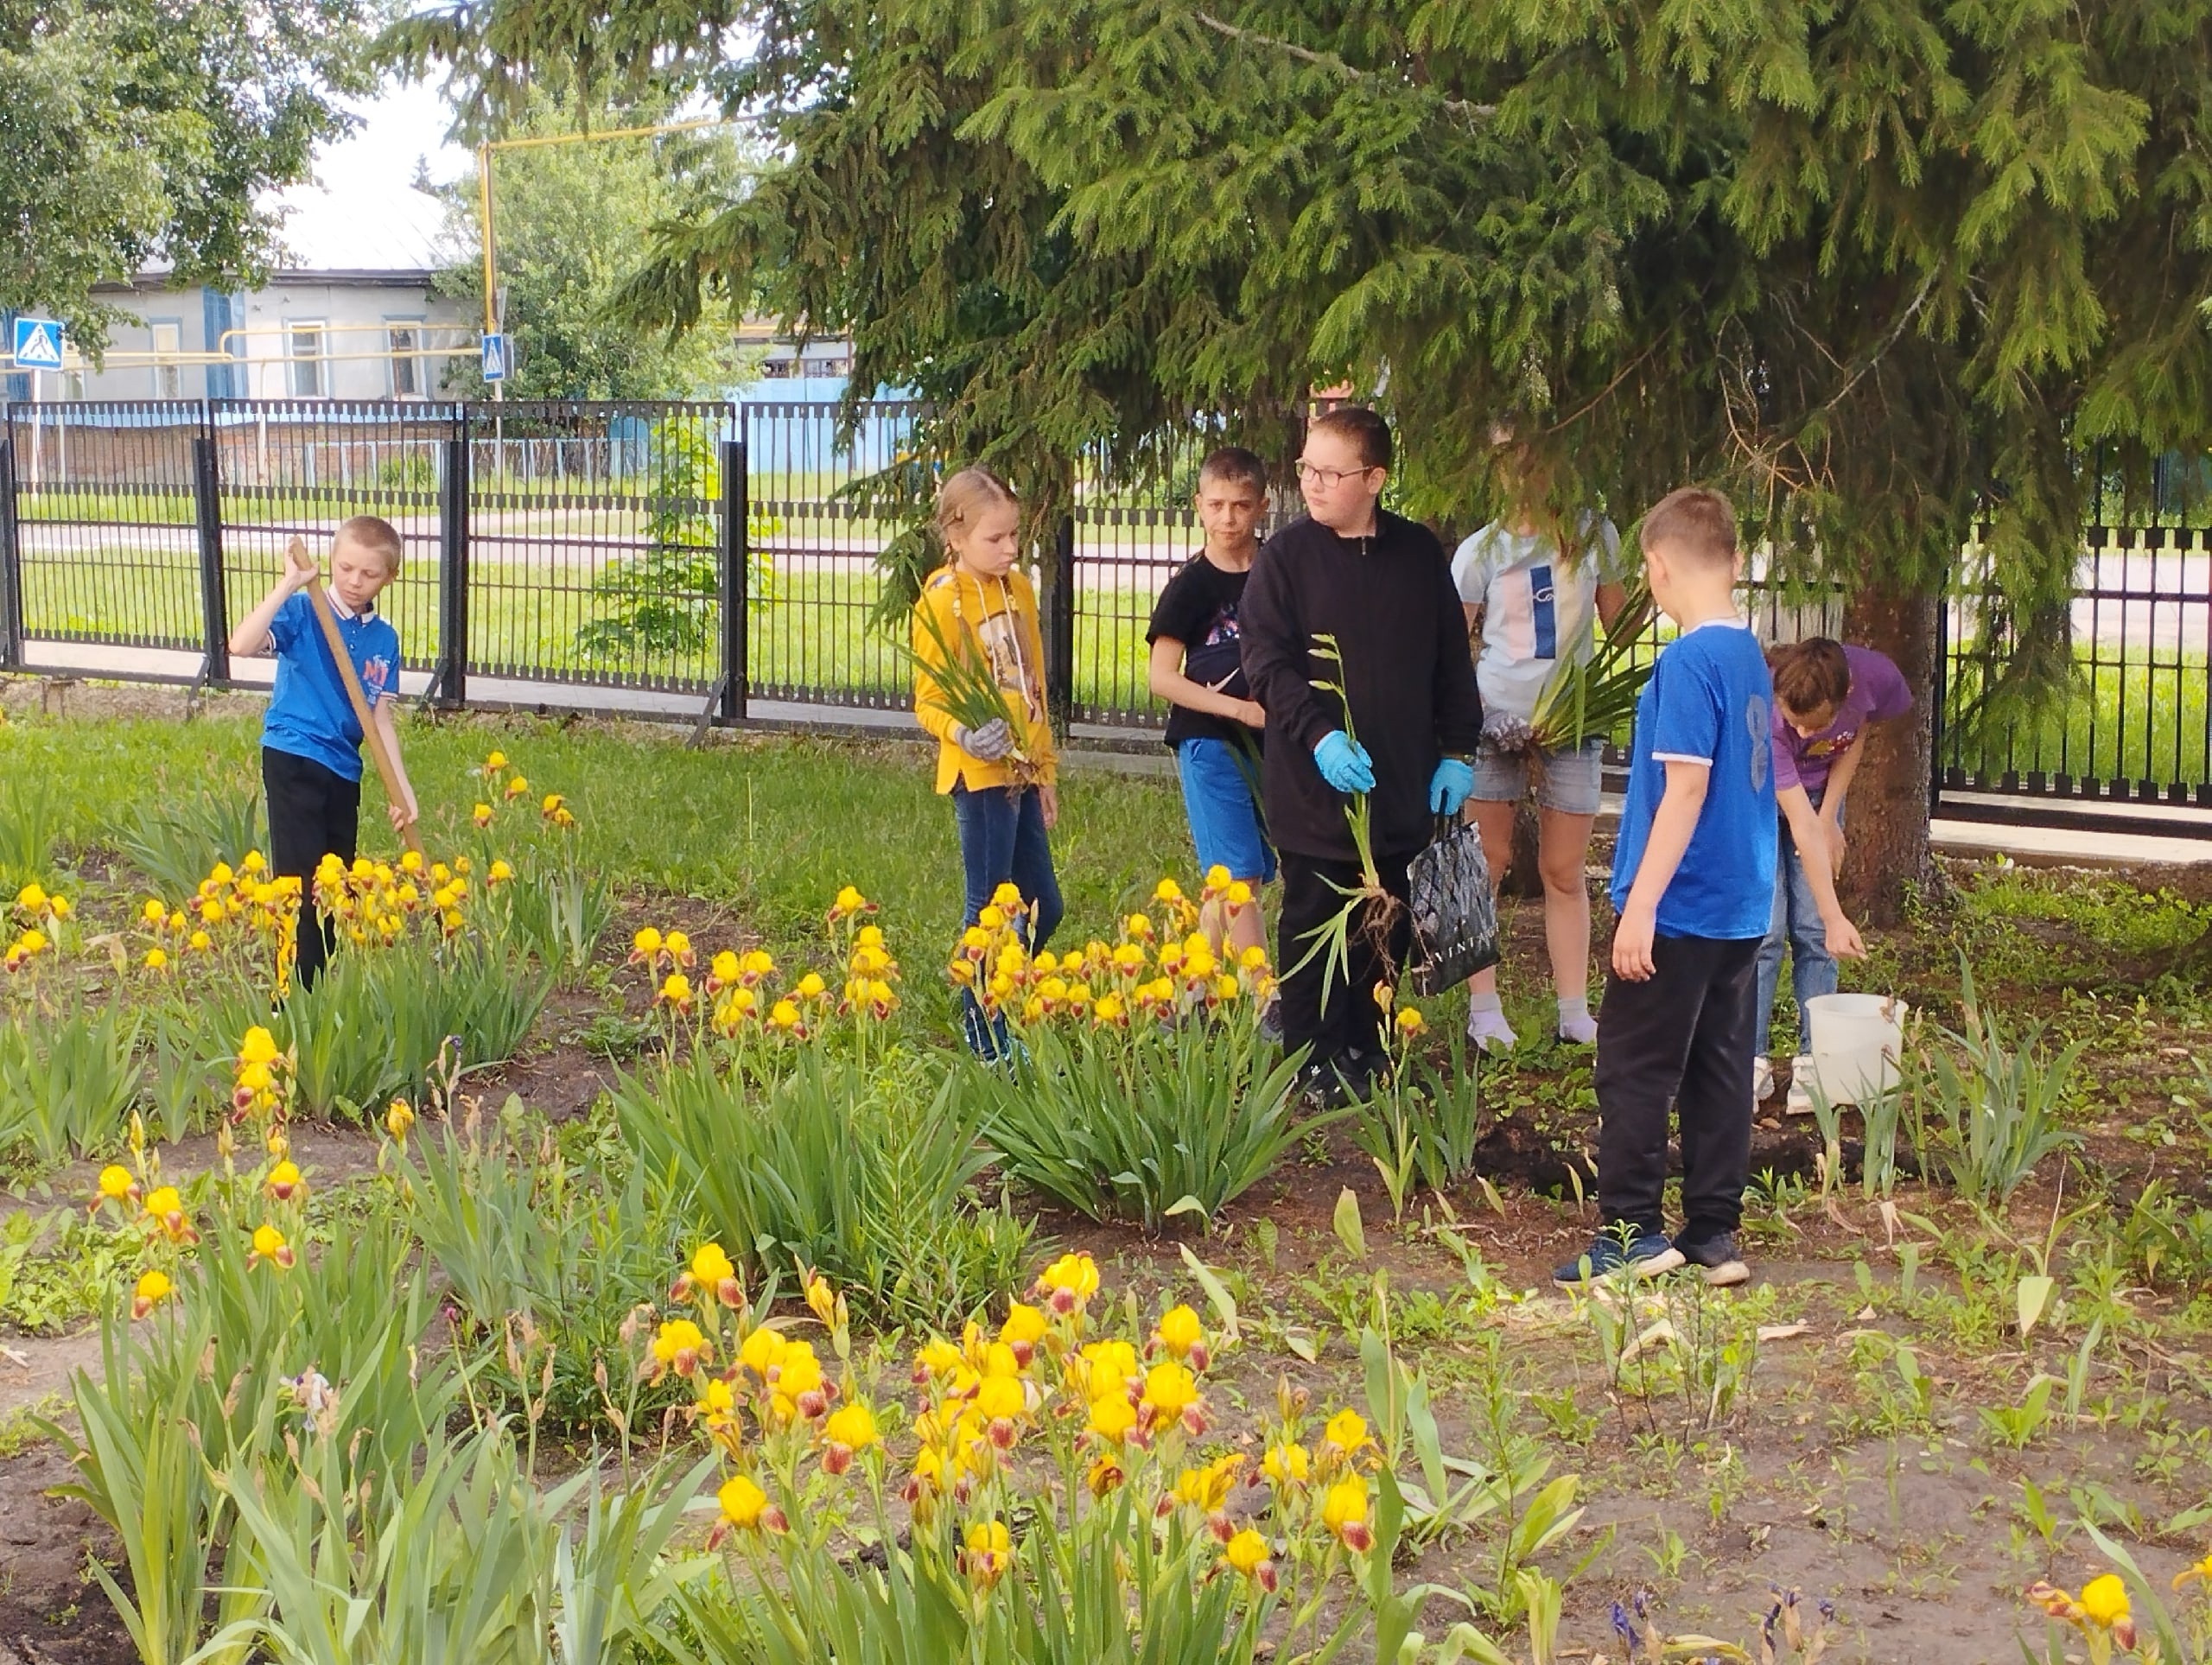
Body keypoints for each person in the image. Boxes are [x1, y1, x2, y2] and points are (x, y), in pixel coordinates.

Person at [1555, 487, 1773, 1290]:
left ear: (1654, 567)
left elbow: (1685, 790)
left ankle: (1630, 1234)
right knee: (1720, 1063)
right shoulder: (1748, 650)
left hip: (1679, 906)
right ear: (1735, 562)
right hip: (1742, 905)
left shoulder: (1686, 662)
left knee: (1635, 1066)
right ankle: (1714, 1231)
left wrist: (1640, 903)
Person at [1241, 406, 1483, 1100]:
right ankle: (1310, 1058)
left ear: (1375, 478)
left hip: (1402, 781)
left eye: (1331, 472)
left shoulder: (1416, 554)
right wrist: (1319, 735)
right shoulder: (1286, 558)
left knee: (1387, 918)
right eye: (1306, 468)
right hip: (1316, 786)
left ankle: (1367, 1046)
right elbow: (1266, 663)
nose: (1313, 483)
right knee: (1316, 913)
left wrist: (1458, 749)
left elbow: (1449, 661)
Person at [1452, 442, 1631, 1052]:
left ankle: (1574, 1011)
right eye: (1512, 459)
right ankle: (1483, 1008)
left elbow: (1620, 628)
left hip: (1573, 722)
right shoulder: (1480, 551)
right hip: (1494, 720)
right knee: (1489, 863)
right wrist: (1484, 713)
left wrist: (1646, 566)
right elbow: (1451, 650)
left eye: (1539, 456)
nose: (1528, 471)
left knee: (1562, 867)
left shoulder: (1592, 535)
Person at [227, 517, 418, 992]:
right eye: (345, 568)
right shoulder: (303, 611)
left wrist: (403, 791)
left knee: (336, 881)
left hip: (343, 767)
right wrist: (289, 583)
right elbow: (241, 644)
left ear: (389, 578)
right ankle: (287, 995)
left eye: (369, 574)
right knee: (298, 878)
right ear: (331, 562)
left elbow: (380, 721)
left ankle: (320, 990)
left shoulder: (384, 640)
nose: (355, 582)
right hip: (293, 753)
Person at [911, 467, 1064, 1058]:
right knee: (992, 905)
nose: (1009, 548)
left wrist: (1044, 770)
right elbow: (926, 700)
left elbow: (1034, 686)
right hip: (977, 776)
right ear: (955, 534)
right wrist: (965, 734)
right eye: (994, 538)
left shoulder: (1018, 589)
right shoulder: (943, 600)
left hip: (1022, 771)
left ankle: (985, 982)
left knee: (1043, 904)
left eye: (1014, 536)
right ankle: (987, 1033)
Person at [1146, 446, 1273, 969]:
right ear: (1198, 505)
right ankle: (1264, 995)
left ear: (1261, 507)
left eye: (1240, 505)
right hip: (1209, 740)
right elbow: (1161, 678)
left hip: (1269, 744)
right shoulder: (1191, 587)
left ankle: (1190, 984)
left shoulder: (1277, 570)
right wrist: (1237, 709)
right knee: (1238, 873)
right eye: (1217, 504)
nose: (1228, 518)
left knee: (1243, 875)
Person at [1757, 637, 1898, 1108]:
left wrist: (1829, 816)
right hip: (1759, 802)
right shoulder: (1773, 717)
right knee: (1765, 932)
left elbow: (1856, 735)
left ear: (1846, 693)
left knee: (1814, 933)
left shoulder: (1874, 679)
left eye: (1809, 725)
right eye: (1792, 723)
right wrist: (1838, 914)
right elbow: (1798, 823)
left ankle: (1814, 1061)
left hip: (1817, 799)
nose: (1799, 734)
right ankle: (1750, 1061)